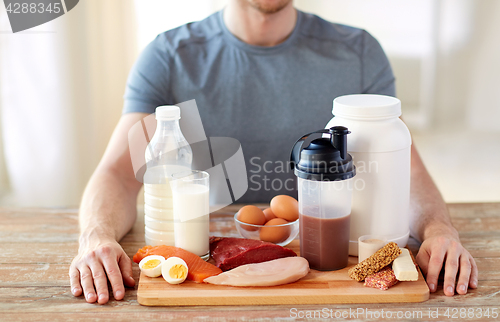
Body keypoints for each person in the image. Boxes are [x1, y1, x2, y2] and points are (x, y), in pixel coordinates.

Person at [69, 0, 478, 304]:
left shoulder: (358, 52)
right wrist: (96, 237)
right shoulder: (170, 57)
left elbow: (404, 171)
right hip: (209, 256)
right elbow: (119, 175)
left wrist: (440, 230)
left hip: (340, 255)